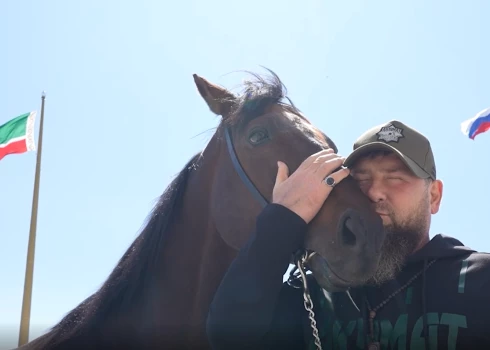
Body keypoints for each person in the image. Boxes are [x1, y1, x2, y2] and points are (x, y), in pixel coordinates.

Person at [205, 120, 490, 350]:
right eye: (361, 179)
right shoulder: (313, 294)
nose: (375, 192)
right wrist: (282, 218)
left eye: (395, 178)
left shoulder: (480, 279)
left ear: (434, 196)